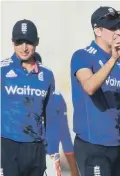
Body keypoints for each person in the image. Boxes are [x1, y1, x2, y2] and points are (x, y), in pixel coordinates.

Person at [70, 6, 120, 176]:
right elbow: (89, 87)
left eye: (119, 27)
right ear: (98, 31)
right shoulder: (83, 56)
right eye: (112, 28)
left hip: (116, 145)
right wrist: (113, 59)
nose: (118, 32)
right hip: (93, 145)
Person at [1, 19, 55, 176]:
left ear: (37, 42)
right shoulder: (2, 71)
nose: (24, 48)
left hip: (36, 147)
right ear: (13, 43)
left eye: (29, 42)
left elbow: (50, 114)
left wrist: (52, 149)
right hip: (8, 146)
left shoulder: (47, 75)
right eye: (19, 42)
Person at [45, 90, 79, 176]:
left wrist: (74, 170)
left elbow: (65, 134)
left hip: (51, 160)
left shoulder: (57, 97)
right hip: (24, 156)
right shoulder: (16, 91)